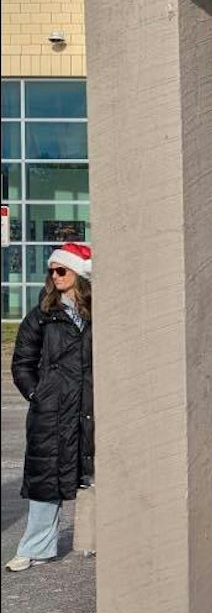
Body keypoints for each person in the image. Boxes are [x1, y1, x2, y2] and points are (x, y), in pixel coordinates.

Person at [7, 243, 94, 572]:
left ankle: (106, 541)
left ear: (79, 275)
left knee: (99, 476)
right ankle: (35, 548)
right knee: (46, 480)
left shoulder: (99, 313)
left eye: (62, 270)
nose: (55, 276)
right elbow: (22, 363)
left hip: (90, 408)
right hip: (52, 411)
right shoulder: (41, 316)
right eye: (52, 271)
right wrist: (37, 394)